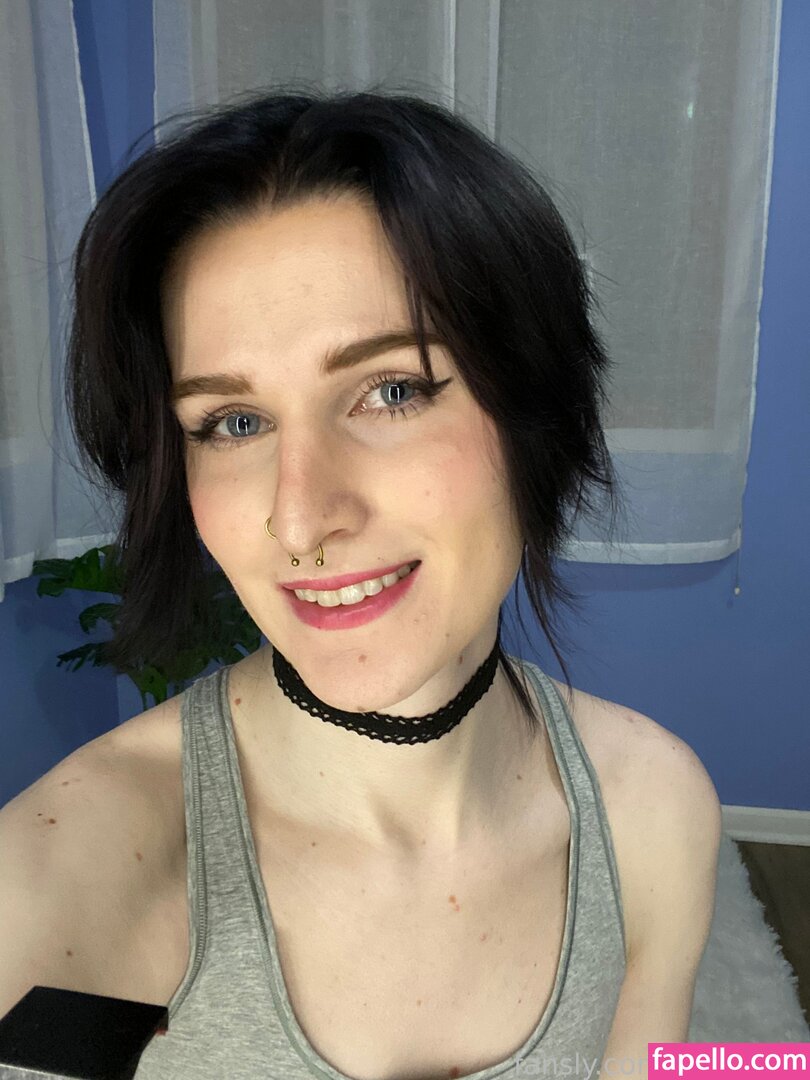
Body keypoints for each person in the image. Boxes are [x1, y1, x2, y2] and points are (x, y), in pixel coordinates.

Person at [0, 87, 721, 1079]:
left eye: (391, 391)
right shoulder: (95, 877)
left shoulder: (651, 812)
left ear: (537, 410)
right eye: (233, 423)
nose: (302, 517)